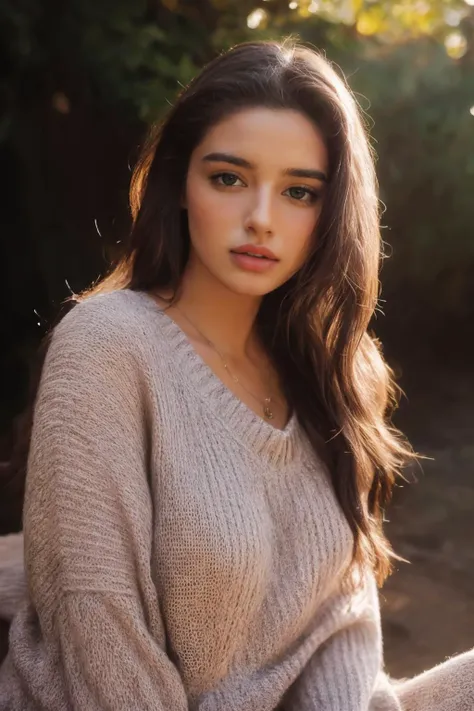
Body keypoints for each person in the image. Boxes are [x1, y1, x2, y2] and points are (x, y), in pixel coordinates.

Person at [0, 38, 472, 711]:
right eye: (228, 177)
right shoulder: (109, 344)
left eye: (298, 192)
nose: (261, 219)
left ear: (330, 211)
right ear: (180, 184)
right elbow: (95, 621)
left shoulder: (329, 372)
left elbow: (344, 628)